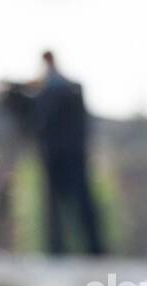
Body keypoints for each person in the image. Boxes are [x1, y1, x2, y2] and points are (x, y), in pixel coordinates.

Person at [28, 51, 103, 256]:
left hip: (62, 156)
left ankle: (71, 249)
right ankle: (79, 249)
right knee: (68, 205)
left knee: (70, 203)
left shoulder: (55, 89)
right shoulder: (66, 88)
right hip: (68, 155)